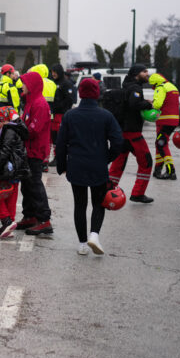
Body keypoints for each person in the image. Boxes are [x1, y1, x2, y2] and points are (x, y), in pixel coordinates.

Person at [56, 78, 123, 255]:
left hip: (76, 165)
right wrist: (107, 158)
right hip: (98, 165)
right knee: (98, 203)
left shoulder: (70, 115)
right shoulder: (106, 115)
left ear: (80, 93)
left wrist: (62, 165)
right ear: (96, 93)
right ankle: (94, 234)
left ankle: (82, 244)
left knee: (80, 204)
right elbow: (118, 142)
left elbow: (61, 143)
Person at [108, 64, 156, 203]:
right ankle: (138, 193)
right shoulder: (135, 88)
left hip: (122, 132)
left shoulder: (126, 86)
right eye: (144, 71)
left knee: (118, 163)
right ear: (136, 74)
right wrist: (148, 105)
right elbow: (133, 105)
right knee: (146, 162)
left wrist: (142, 101)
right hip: (133, 134)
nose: (147, 73)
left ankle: (108, 190)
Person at [15, 71, 54, 235]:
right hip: (28, 149)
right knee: (27, 185)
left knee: (35, 184)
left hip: (35, 150)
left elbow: (33, 130)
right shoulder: (30, 102)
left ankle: (44, 219)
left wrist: (16, 128)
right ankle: (30, 216)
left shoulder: (40, 104)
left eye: (24, 83)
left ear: (31, 86)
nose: (21, 86)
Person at [0, 106, 31, 238]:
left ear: (3, 120)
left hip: (8, 169)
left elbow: (4, 151)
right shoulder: (17, 129)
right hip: (16, 169)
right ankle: (9, 225)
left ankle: (6, 221)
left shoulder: (8, 131)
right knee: (11, 198)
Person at [149, 73, 180, 180]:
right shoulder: (172, 86)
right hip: (173, 120)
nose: (153, 88)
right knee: (160, 143)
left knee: (161, 143)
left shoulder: (160, 87)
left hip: (164, 120)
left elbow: (157, 104)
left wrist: (150, 103)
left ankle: (171, 171)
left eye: (152, 85)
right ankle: (157, 170)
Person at [48, 64, 75, 166]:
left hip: (62, 114)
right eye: (52, 71)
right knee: (54, 136)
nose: (53, 73)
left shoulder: (66, 84)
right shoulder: (52, 82)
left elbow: (69, 99)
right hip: (54, 114)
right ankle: (57, 157)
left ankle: (61, 157)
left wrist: (59, 107)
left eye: (55, 71)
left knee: (60, 136)